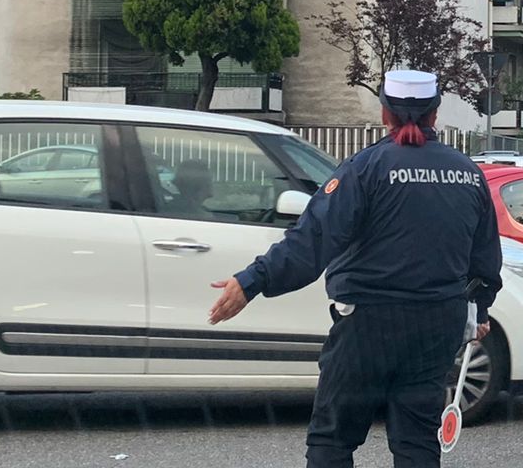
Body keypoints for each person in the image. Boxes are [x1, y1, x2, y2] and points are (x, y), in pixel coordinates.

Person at [207, 69, 503, 468]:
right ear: (435, 115)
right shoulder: (469, 175)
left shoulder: (365, 169)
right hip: (437, 326)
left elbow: (311, 241)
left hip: (368, 327)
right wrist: (479, 310)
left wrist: (251, 281)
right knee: (417, 442)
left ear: (385, 113)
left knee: (333, 440)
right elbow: (485, 261)